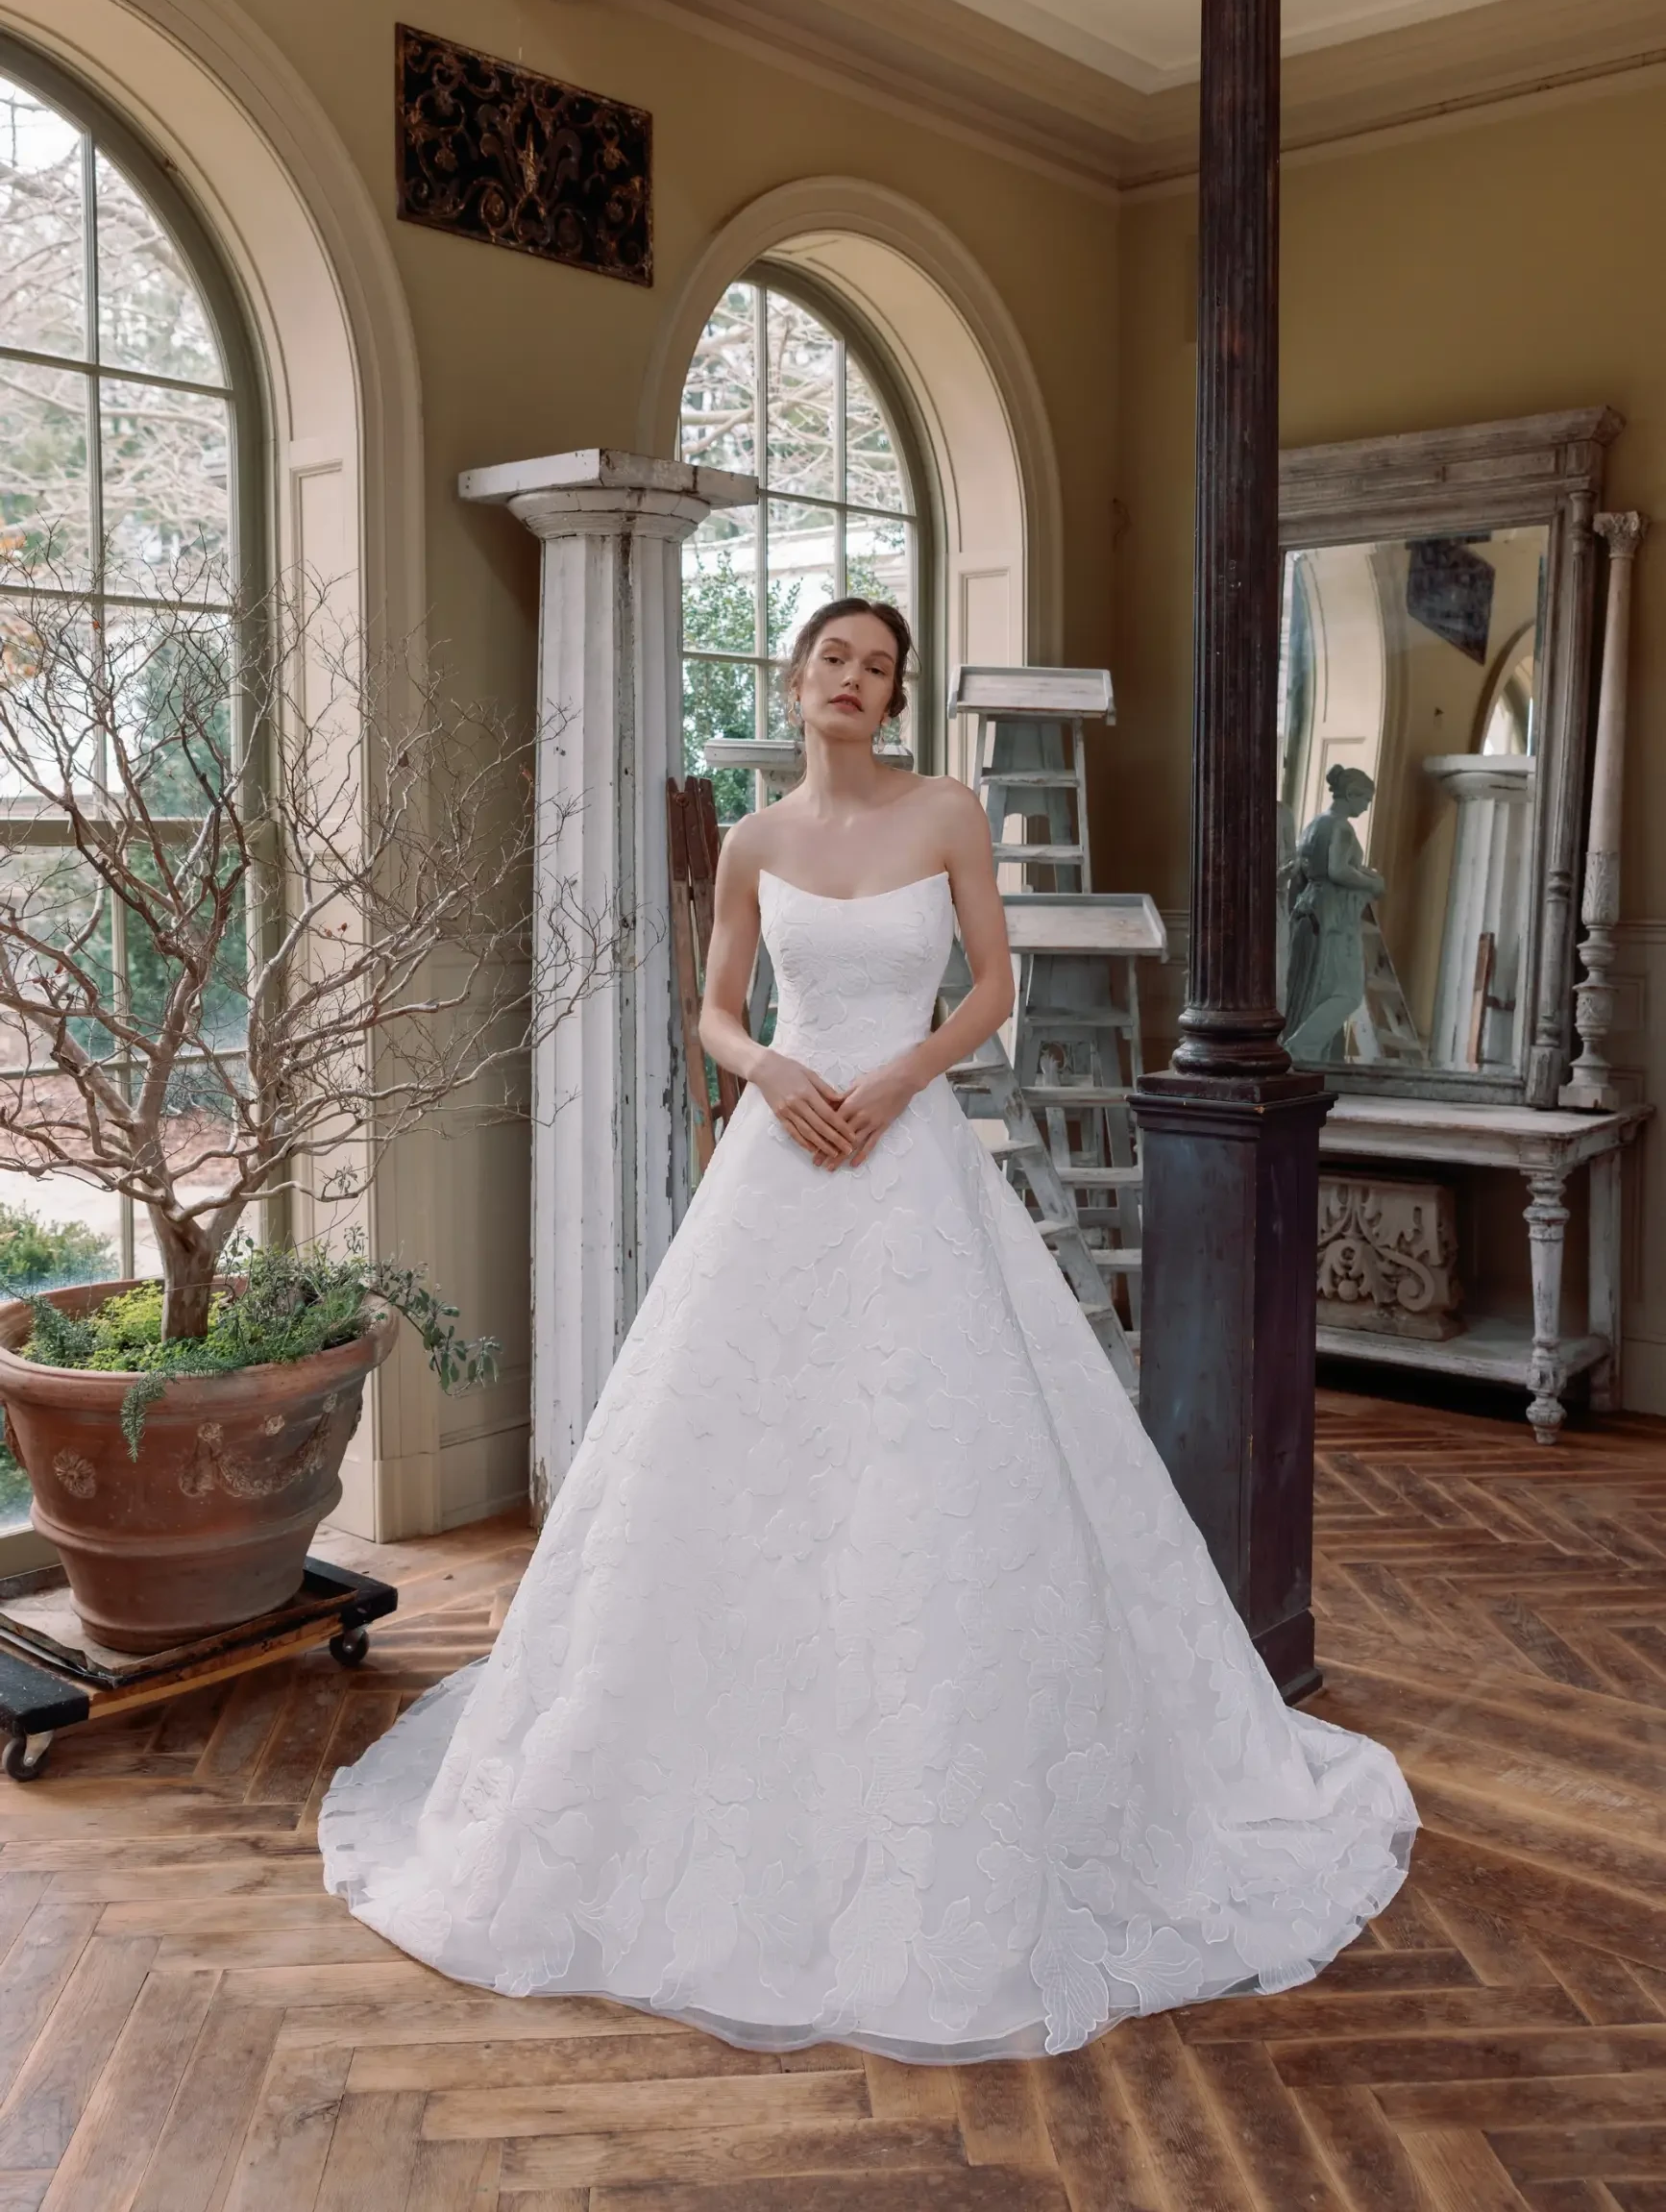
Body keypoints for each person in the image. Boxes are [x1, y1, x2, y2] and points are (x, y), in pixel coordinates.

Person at [319, 599, 1415, 2063]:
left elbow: (993, 988)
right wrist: (771, 1072)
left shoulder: (946, 810)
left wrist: (897, 1079)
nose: (852, 679)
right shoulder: (755, 843)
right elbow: (716, 1010)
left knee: (933, 1455)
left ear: (894, 697)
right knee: (743, 1450)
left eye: (877, 666)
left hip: (905, 1150)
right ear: (797, 679)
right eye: (833, 657)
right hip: (784, 1152)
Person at [1284, 766, 1385, 1064]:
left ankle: (1322, 1057)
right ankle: (1301, 1049)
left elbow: (1300, 874)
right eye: (1365, 799)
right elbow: (1337, 870)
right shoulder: (1341, 827)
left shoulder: (1314, 824)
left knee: (1316, 989)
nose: (1366, 807)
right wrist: (1373, 883)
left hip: (1310, 906)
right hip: (1334, 912)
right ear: (1352, 794)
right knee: (1348, 992)